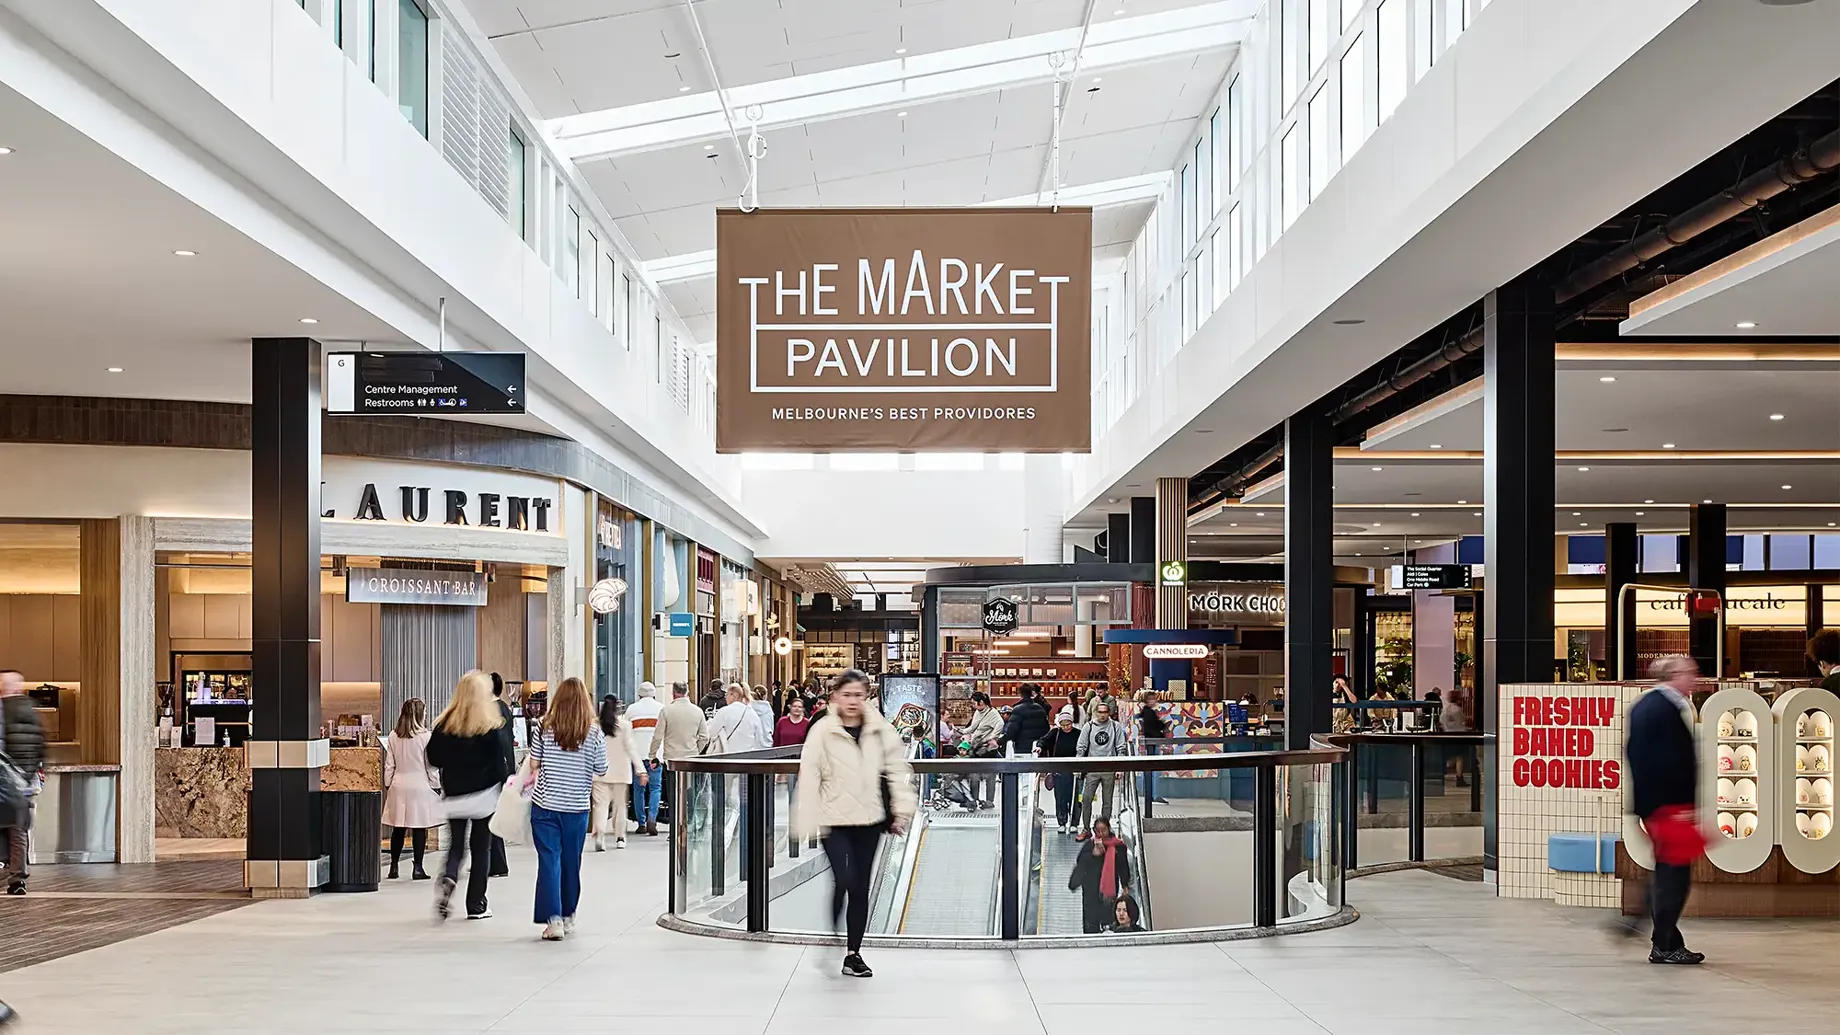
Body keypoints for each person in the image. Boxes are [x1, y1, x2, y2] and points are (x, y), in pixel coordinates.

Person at [794, 670, 916, 978]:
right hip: (832, 819)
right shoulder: (822, 730)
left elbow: (897, 769)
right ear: (835, 696)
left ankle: (853, 953)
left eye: (858, 695)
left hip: (869, 819)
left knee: (861, 887)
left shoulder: (880, 730)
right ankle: (834, 930)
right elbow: (809, 775)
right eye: (846, 695)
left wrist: (902, 810)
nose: (852, 701)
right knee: (845, 878)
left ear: (867, 696)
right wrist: (806, 819)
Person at [1625, 655, 1706, 965]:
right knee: (1674, 876)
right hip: (1668, 808)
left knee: (1669, 872)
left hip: (1662, 806)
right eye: (1690, 673)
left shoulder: (1650, 706)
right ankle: (1664, 942)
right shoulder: (1660, 709)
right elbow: (1662, 762)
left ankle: (1660, 935)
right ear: (1674, 675)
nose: (1695, 678)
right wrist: (1676, 805)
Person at [426, 670, 514, 921]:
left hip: (454, 795)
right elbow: (500, 766)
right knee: (481, 848)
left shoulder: (444, 726)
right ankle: (476, 904)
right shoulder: (491, 726)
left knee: (456, 845)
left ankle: (449, 875)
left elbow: (433, 758)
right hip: (484, 796)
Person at [529, 677, 607, 940]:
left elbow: (534, 763)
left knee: (549, 860)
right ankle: (568, 914)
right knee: (572, 861)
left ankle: (553, 920)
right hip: (576, 807)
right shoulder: (594, 732)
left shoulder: (543, 726)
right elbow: (601, 768)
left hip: (545, 805)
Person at [381, 698, 439, 881]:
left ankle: (393, 866)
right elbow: (431, 766)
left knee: (398, 828)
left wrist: (388, 783)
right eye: (425, 711)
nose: (426, 714)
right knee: (419, 828)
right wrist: (436, 785)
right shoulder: (426, 737)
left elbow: (389, 764)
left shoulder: (393, 736)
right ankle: (418, 868)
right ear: (419, 714)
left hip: (399, 785)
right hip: (419, 785)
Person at [0, 670, 44, 896]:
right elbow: (41, 744)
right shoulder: (32, 710)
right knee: (19, 831)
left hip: (4, 780)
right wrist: (32, 773)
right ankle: (18, 878)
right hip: (25, 781)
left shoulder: (2, 711)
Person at [591, 695, 645, 851]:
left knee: (600, 806)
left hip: (599, 773)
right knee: (620, 807)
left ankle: (600, 835)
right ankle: (620, 838)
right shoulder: (625, 726)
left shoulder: (594, 725)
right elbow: (631, 748)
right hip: (621, 773)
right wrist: (641, 770)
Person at [1075, 700, 1128, 841]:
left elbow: (1121, 747)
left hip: (1109, 767)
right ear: (1096, 713)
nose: (1102, 715)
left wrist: (1119, 767)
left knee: (1107, 801)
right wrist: (1078, 765)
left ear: (1109, 713)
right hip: (1092, 767)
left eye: (1105, 712)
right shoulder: (1089, 726)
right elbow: (1081, 746)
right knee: (1086, 799)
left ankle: (1104, 831)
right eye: (1100, 712)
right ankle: (1086, 829)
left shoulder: (1115, 726)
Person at [1068, 816, 1131, 934]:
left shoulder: (1117, 846)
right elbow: (1081, 863)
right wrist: (1093, 854)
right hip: (1090, 892)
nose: (1101, 834)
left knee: (1108, 923)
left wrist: (1125, 885)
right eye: (1098, 831)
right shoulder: (1090, 846)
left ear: (1109, 829)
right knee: (1090, 924)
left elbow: (1123, 867)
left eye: (1104, 830)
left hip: (1108, 894)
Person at [487, 672, 517, 878]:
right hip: (503, 769)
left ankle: (496, 863)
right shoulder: (504, 707)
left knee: (490, 817)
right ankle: (493, 861)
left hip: (494, 771)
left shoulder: (492, 710)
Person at [627, 682, 664, 836]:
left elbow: (627, 733)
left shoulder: (631, 709)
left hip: (638, 756)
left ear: (639, 694)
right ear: (654, 694)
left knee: (638, 790)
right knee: (655, 788)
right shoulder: (661, 709)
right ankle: (652, 819)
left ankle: (641, 823)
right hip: (655, 756)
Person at [1038, 706, 1082, 833]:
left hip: (1075, 770)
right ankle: (1062, 822)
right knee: (1060, 797)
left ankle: (1074, 823)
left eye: (1068, 724)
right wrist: (1039, 746)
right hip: (1059, 770)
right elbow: (1043, 740)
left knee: (1075, 798)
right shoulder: (1055, 733)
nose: (1066, 727)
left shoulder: (1078, 733)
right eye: (1063, 725)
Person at [963, 691, 1005, 808]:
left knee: (989, 776)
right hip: (976, 747)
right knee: (974, 776)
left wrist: (993, 738)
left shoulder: (993, 713)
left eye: (974, 703)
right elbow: (973, 727)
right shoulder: (978, 712)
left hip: (988, 749)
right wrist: (962, 732)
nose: (973, 706)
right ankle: (973, 799)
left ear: (981, 702)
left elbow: (1000, 724)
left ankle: (989, 801)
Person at [713, 683, 768, 753]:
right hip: (747, 755)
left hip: (727, 754)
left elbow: (712, 732)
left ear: (733, 695)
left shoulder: (723, 712)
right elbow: (759, 739)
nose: (725, 697)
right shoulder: (753, 714)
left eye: (726, 694)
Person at [1003, 683, 1050, 756]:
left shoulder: (1017, 709)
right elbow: (1046, 729)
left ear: (1020, 694)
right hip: (1038, 748)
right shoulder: (1040, 709)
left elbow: (1011, 732)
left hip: (1022, 748)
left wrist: (999, 741)